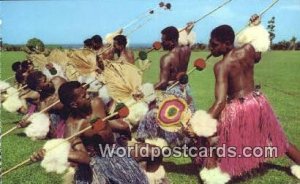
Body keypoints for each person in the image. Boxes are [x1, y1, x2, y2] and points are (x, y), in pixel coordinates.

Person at [192, 24, 300, 180]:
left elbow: (221, 102)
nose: (210, 48)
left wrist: (200, 124)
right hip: (258, 102)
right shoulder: (248, 50)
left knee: (215, 139)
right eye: (210, 44)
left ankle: (213, 176)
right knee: (277, 139)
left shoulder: (221, 66)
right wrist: (254, 28)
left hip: (239, 108)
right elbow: (258, 57)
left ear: (227, 43)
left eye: (214, 45)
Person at [32, 81, 166, 183]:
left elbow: (109, 119)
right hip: (100, 160)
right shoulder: (73, 127)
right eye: (84, 96)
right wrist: (52, 153)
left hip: (117, 147)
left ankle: (144, 174)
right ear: (74, 104)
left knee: (155, 152)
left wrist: (119, 114)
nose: (89, 96)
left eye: (87, 93)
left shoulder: (97, 103)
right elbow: (85, 158)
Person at [18, 71, 67, 138]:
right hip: (65, 118)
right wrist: (29, 121)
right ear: (38, 89)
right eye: (44, 83)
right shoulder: (44, 103)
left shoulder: (58, 80)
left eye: (45, 78)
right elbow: (44, 121)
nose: (48, 82)